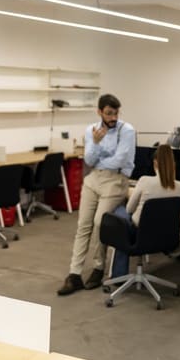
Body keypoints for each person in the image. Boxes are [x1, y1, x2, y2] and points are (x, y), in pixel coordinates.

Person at [57, 94, 136, 296]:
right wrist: (97, 144)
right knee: (83, 224)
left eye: (116, 113)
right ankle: (74, 274)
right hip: (93, 179)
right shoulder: (91, 131)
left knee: (101, 223)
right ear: (99, 111)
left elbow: (120, 160)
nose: (113, 117)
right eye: (109, 113)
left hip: (116, 180)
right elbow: (90, 160)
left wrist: (100, 159)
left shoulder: (126, 131)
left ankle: (99, 267)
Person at [109, 144, 180, 277]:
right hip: (165, 238)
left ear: (155, 163)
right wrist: (179, 199)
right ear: (173, 165)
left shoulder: (144, 181)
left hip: (140, 233)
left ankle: (119, 275)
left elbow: (130, 209)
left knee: (120, 212)